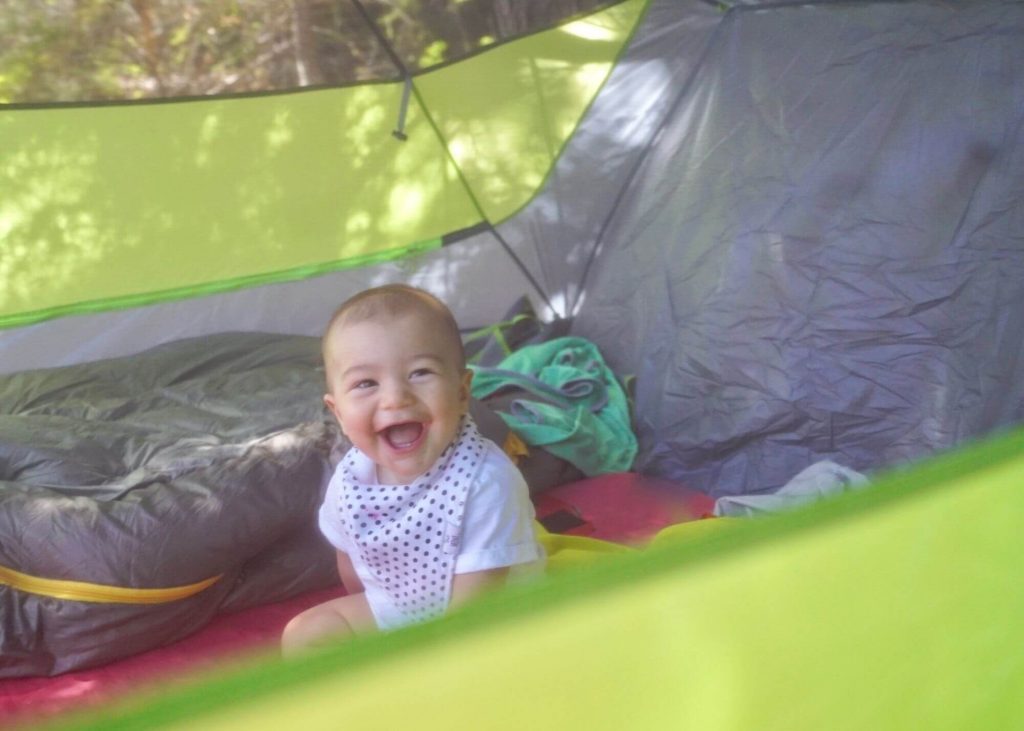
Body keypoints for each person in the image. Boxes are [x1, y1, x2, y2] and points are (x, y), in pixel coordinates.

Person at [281, 284, 543, 656]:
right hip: (402, 608)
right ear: (338, 413)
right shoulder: (351, 482)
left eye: (420, 373)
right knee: (306, 632)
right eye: (366, 383)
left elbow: (474, 610)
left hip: (494, 621)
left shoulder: (485, 480)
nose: (395, 398)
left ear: (461, 392)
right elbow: (352, 564)